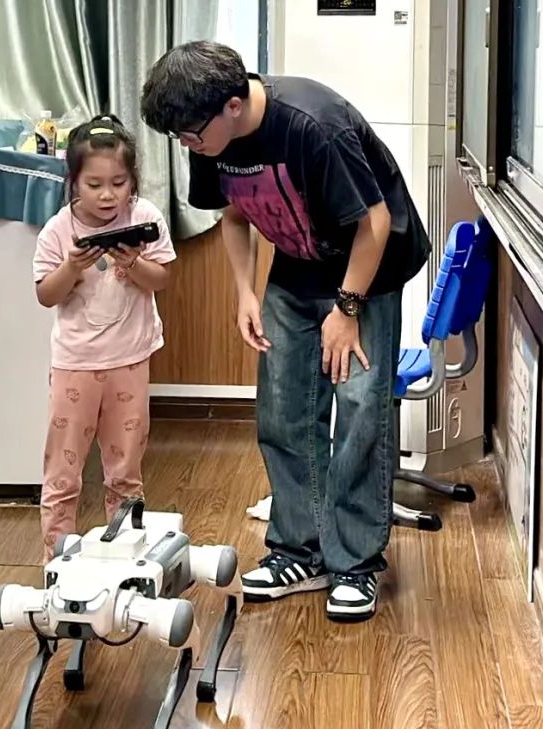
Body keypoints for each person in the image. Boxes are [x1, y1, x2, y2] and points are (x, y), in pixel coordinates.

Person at [140, 41, 431, 622]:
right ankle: (301, 551)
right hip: (296, 269)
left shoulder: (313, 126)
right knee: (283, 411)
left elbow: (374, 222)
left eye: (190, 134)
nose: (186, 144)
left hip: (368, 273)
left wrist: (346, 309)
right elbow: (235, 214)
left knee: (359, 411)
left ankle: (355, 563)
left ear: (231, 106)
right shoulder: (208, 134)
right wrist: (246, 292)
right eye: (177, 137)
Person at [33, 114, 176, 564]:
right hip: (75, 363)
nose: (108, 194)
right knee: (63, 470)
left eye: (119, 183)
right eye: (94, 184)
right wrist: (72, 267)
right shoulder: (58, 230)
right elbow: (46, 295)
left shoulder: (144, 216)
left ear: (133, 180)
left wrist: (133, 262)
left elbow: (162, 279)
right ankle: (56, 562)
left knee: (126, 469)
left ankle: (125, 558)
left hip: (130, 360)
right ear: (74, 182)